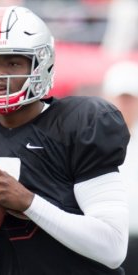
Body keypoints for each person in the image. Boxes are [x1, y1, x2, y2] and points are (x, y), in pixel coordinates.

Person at [0, 6, 130, 275]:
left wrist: (27, 202)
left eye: (12, 62)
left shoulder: (80, 123)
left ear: (39, 63)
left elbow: (113, 249)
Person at [102, 61, 138, 275]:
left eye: (131, 99)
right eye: (121, 99)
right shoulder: (93, 143)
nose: (126, 105)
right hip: (107, 244)